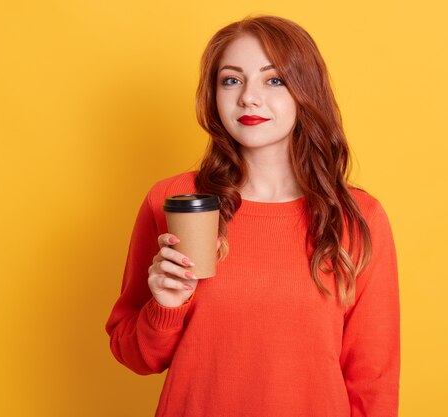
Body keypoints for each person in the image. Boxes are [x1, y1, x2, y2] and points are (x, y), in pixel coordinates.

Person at [106, 15, 400, 417]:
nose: (248, 97)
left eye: (273, 80)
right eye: (231, 80)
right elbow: (136, 356)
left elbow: (373, 380)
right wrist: (165, 305)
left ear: (304, 91)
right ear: (213, 94)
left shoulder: (358, 217)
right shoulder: (174, 200)